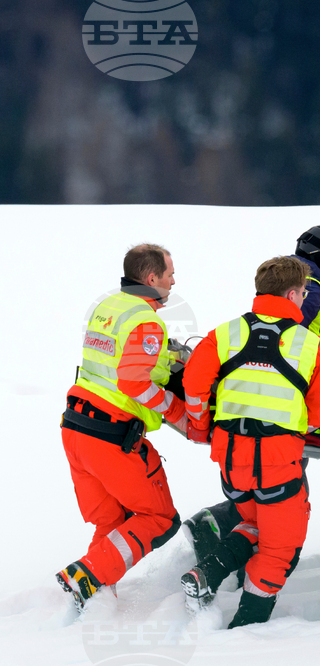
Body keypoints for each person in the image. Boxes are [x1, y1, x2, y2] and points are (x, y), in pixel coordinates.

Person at [181, 225, 320, 561]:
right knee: (277, 482)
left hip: (267, 400)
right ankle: (224, 533)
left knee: (263, 477)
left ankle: (227, 537)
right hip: (283, 406)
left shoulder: (302, 284)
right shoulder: (311, 290)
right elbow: (292, 341)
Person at [180, 256, 320, 628]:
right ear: (292, 294)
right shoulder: (310, 346)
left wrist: (202, 425)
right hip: (277, 462)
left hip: (230, 459)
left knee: (255, 524)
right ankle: (247, 628)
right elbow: (318, 416)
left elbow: (194, 387)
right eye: (303, 293)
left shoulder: (224, 334)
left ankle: (206, 574)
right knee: (280, 548)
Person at [56, 244, 185, 610]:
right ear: (152, 278)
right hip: (109, 436)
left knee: (113, 522)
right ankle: (86, 575)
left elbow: (118, 363)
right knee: (159, 519)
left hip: (75, 428)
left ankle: (93, 595)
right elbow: (134, 382)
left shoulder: (109, 307)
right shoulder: (146, 321)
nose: (174, 281)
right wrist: (178, 411)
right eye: (170, 274)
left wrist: (169, 358)